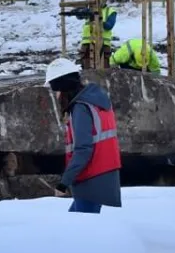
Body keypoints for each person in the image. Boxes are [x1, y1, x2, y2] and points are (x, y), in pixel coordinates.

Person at [45, 57, 122, 213]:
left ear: (63, 87)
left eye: (57, 90)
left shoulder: (81, 107)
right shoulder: (96, 100)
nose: (57, 96)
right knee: (77, 222)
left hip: (91, 176)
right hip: (103, 172)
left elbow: (83, 149)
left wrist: (63, 183)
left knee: (81, 228)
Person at [80, 0, 117, 68]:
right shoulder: (90, 9)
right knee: (87, 69)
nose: (100, 0)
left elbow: (109, 26)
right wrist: (82, 11)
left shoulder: (111, 11)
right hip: (87, 43)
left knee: (103, 70)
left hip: (103, 44)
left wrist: (98, 19)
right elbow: (80, 17)